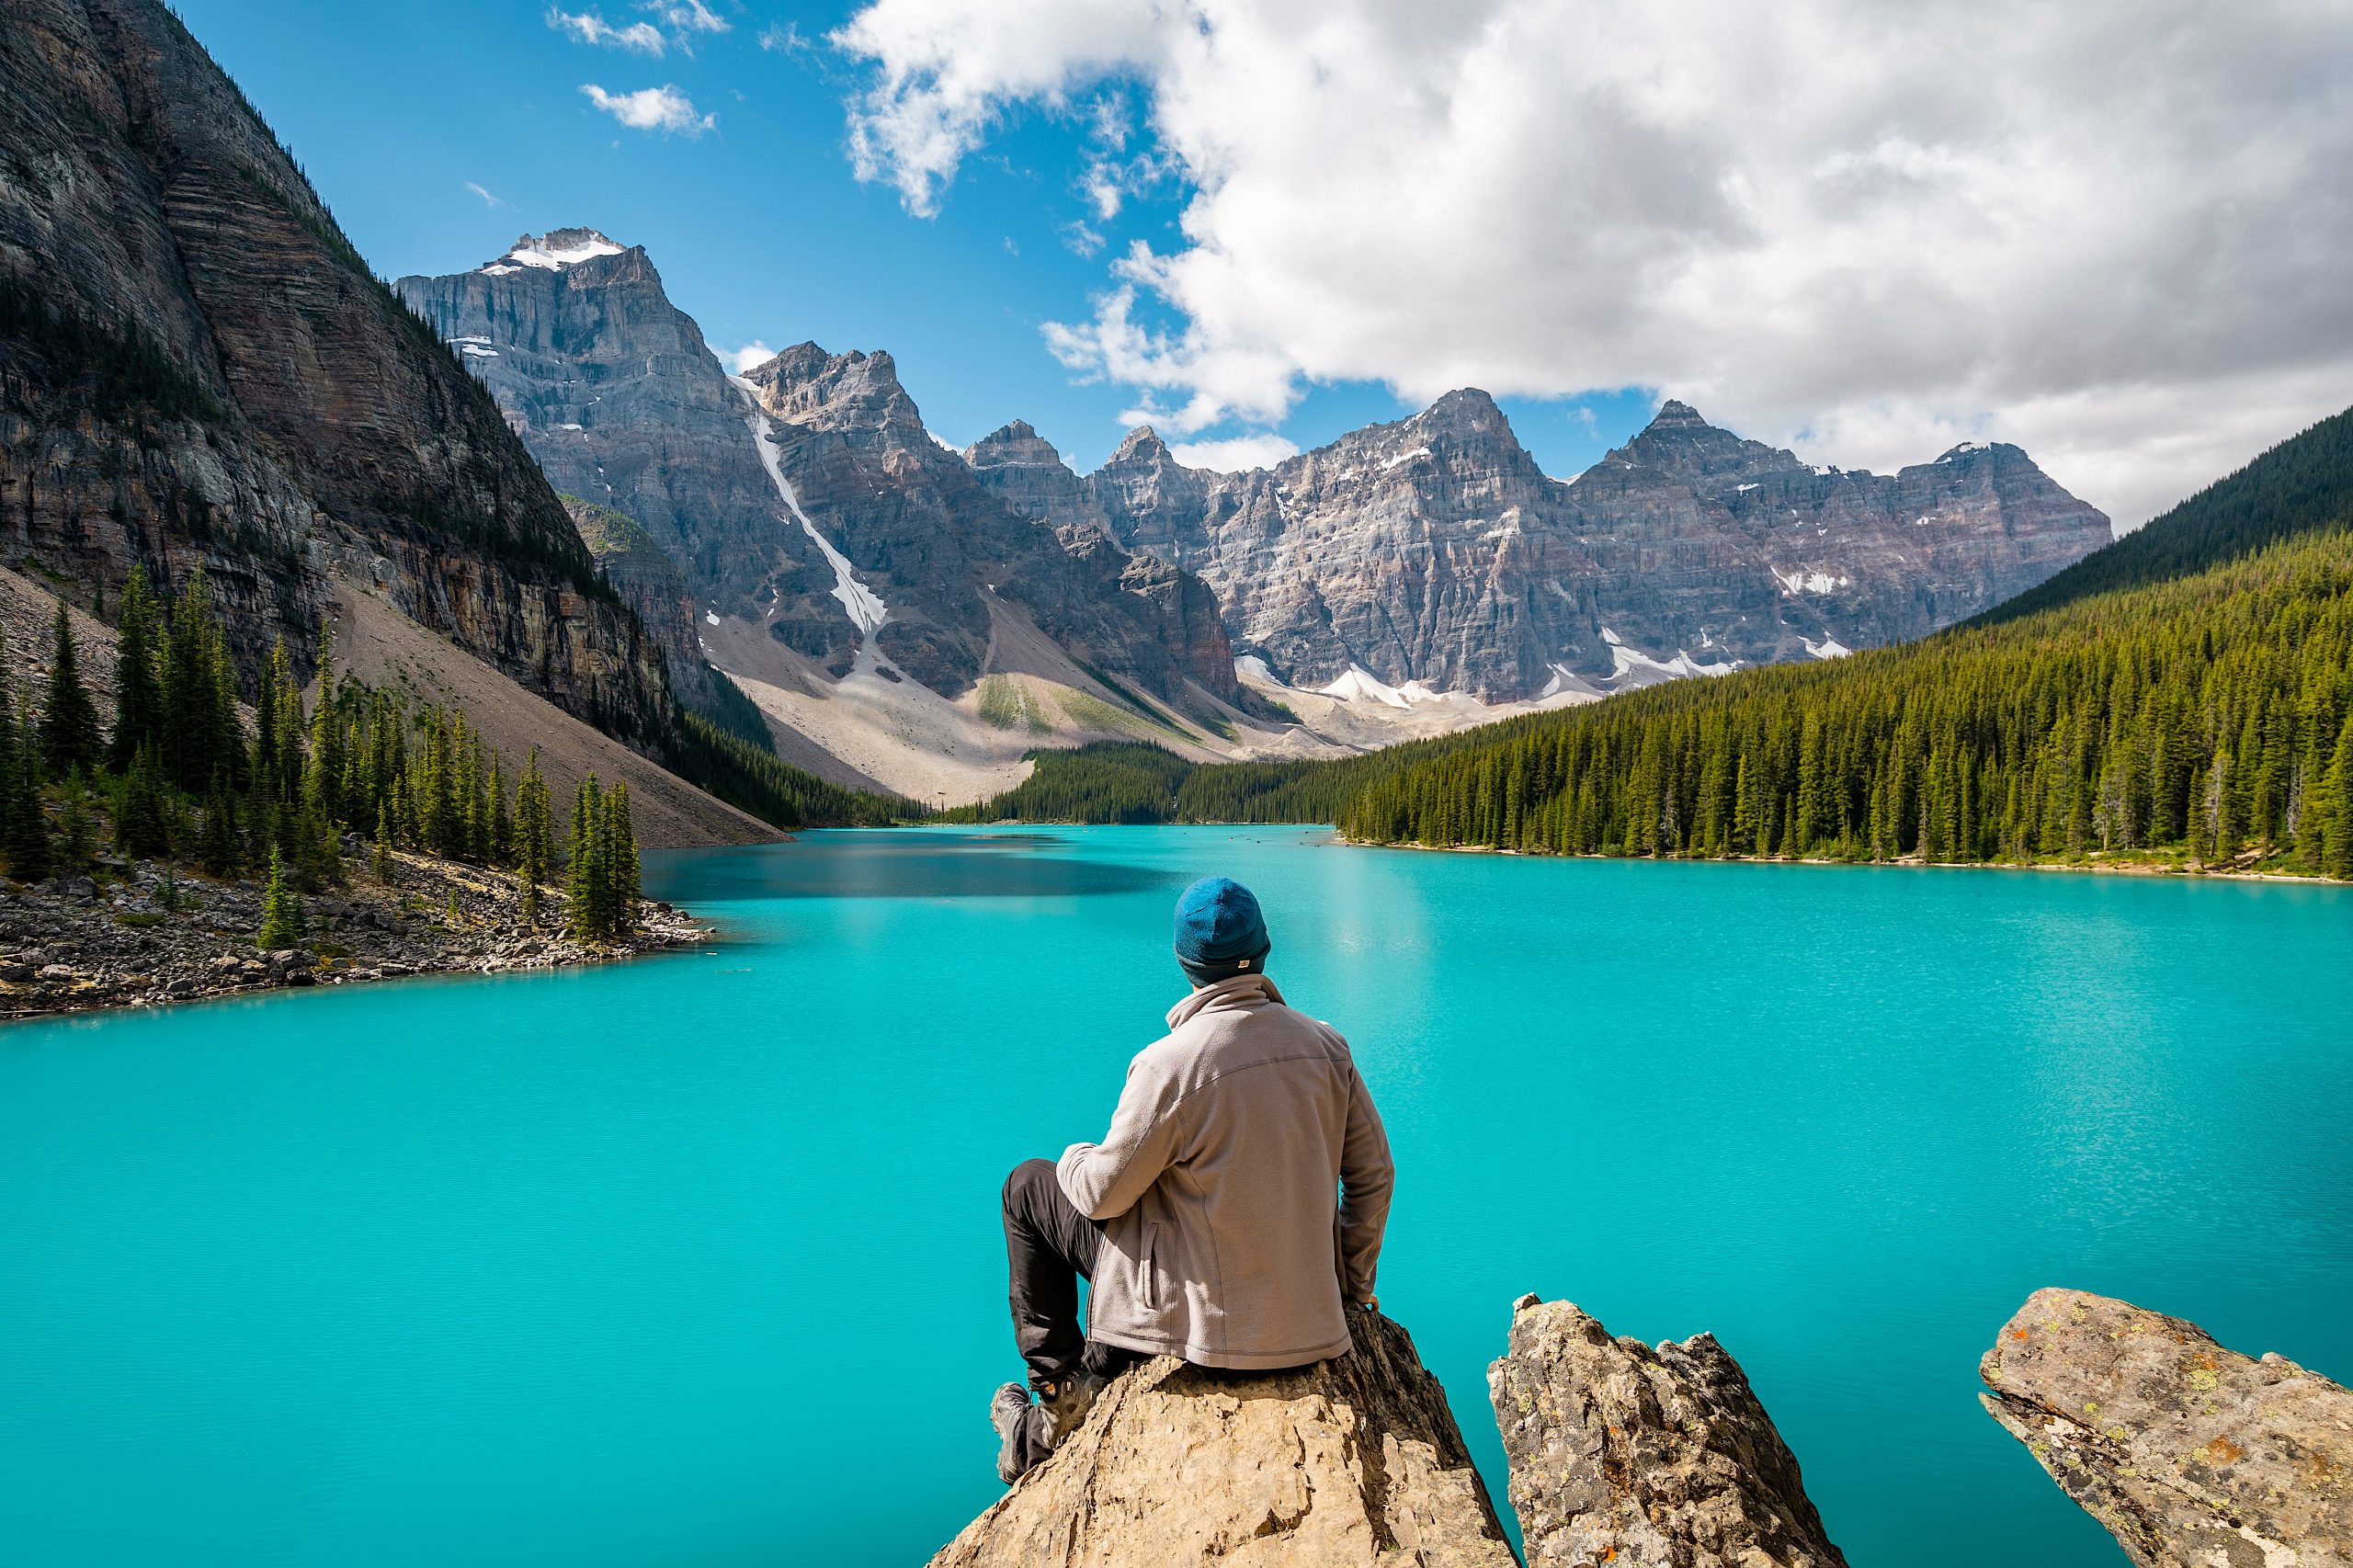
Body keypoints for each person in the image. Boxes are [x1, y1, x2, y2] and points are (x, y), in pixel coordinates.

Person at [988, 875, 1395, 1483]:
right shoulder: (1327, 1048)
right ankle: (1094, 1369)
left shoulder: (1169, 1065)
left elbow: (1100, 1196)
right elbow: (1373, 1178)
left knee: (1028, 1185)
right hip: (1311, 1327)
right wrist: (1349, 1291)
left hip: (1208, 1340)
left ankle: (1058, 1387)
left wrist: (1077, 1154)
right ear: (1263, 952)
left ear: (1185, 963)